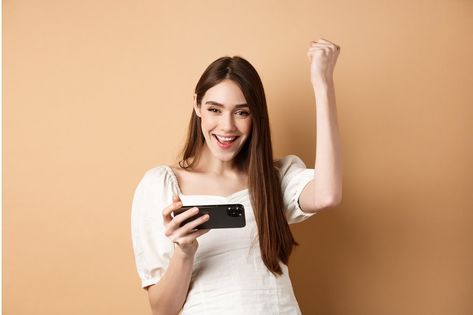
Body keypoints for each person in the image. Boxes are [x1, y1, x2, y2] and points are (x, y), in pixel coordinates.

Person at [131, 38, 342, 315]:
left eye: (241, 112)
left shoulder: (274, 179)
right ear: (197, 106)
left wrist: (323, 84)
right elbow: (163, 310)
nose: (227, 126)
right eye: (214, 109)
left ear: (256, 117)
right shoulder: (161, 185)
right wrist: (184, 250)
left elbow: (327, 195)